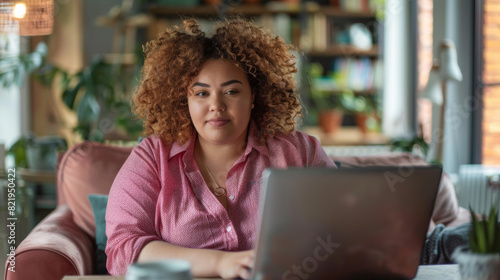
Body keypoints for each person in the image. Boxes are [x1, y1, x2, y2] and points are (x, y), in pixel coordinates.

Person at [105, 18, 335, 279]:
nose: (216, 105)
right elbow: (123, 250)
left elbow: (342, 230)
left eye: (232, 91)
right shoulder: (152, 157)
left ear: (253, 97)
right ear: (185, 101)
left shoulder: (299, 152)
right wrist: (220, 264)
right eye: (201, 93)